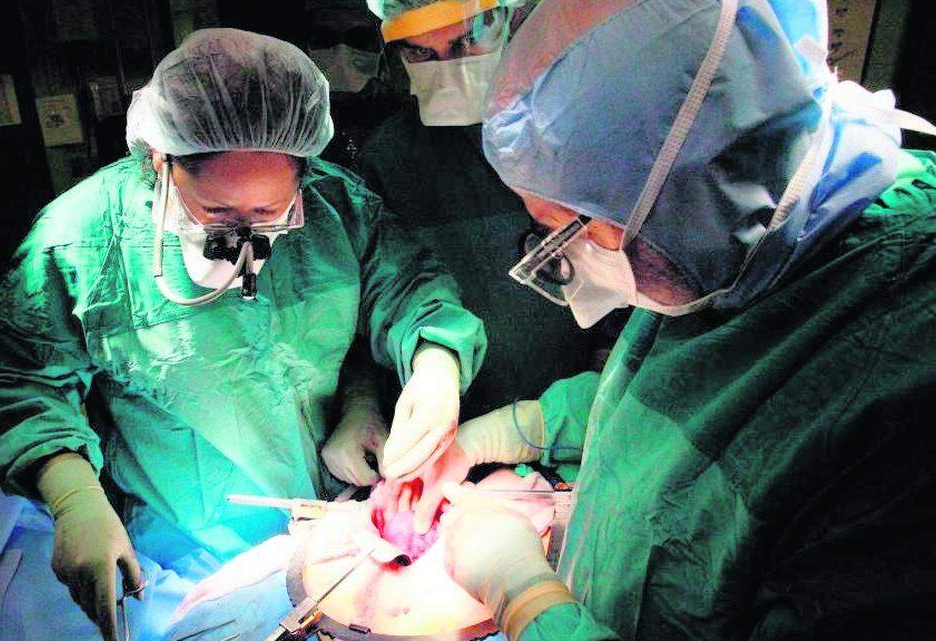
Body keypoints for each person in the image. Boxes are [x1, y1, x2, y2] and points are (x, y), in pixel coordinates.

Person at [393, 0, 936, 639]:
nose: (574, 268)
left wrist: (523, 596)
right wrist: (494, 436)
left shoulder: (902, 372)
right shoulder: (738, 243)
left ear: (684, 192)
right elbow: (674, 402)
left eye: (571, 232)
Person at [0, 28, 487, 641]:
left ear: (303, 170)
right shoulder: (80, 238)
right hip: (182, 545)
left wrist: (427, 368)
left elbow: (406, 292)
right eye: (217, 213)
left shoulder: (336, 208)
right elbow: (20, 378)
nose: (245, 237)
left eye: (270, 214)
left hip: (331, 517)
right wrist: (71, 493)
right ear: (161, 160)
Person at [337, 0, 604, 491]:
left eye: (465, 43)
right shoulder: (389, 161)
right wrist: (362, 405)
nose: (450, 72)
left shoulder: (583, 138)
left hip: (578, 451)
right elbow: (363, 310)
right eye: (421, 54)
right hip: (431, 463)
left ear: (520, 20)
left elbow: (638, 324)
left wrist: (578, 423)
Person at [304, 0, 406, 169]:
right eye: (326, 39)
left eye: (359, 39)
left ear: (384, 47)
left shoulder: (403, 126)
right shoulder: (293, 126)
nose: (341, 54)